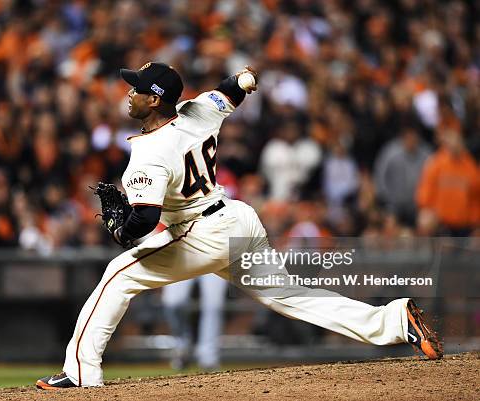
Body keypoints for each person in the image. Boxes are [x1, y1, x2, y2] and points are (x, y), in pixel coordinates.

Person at [36, 62, 442, 389]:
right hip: (237, 220)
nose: (130, 93)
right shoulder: (196, 112)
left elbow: (144, 222)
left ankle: (80, 372)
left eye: (138, 88)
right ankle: (395, 320)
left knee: (117, 275)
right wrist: (245, 80)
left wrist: (118, 230)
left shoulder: (150, 152)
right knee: (289, 295)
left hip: (203, 232)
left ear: (155, 98)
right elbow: (230, 89)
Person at [162, 274, 228, 371]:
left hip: (214, 262)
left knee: (214, 305)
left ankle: (208, 357)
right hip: (182, 260)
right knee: (173, 302)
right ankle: (182, 346)